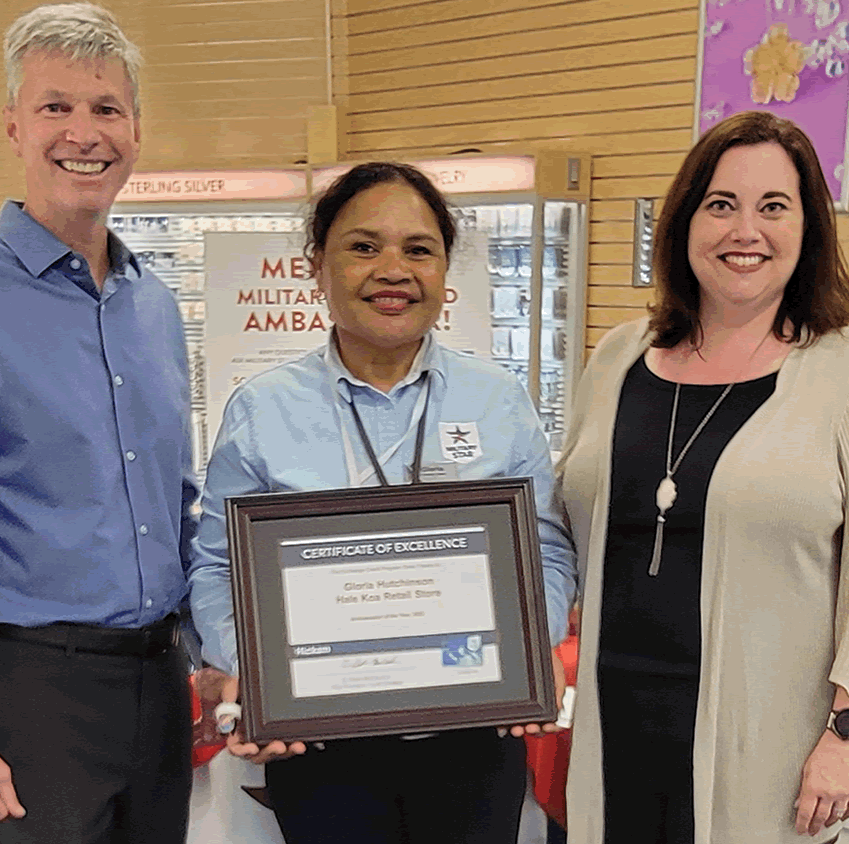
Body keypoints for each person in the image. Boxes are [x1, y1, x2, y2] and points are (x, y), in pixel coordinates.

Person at [557, 110, 849, 844]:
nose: (744, 231)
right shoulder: (618, 357)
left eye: (773, 208)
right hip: (612, 718)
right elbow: (563, 519)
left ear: (809, 230)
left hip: (764, 741)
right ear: (684, 221)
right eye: (721, 204)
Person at [0, 4, 197, 842]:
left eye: (105, 108)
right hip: (33, 692)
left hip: (160, 681)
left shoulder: (154, 305)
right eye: (56, 107)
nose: (83, 133)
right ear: (12, 125)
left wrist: (223, 651)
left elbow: (175, 501)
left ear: (136, 129)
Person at [187, 161, 578, 844]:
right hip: (320, 747)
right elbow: (217, 569)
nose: (393, 270)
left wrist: (526, 648)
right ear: (318, 266)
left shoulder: (497, 401)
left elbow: (544, 549)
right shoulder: (263, 410)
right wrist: (254, 673)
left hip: (471, 738)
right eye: (363, 247)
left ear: (444, 271)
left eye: (418, 250)